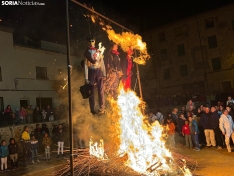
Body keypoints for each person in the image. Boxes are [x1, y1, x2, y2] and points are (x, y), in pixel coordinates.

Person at [84, 35, 106, 115]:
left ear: (95, 42)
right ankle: (92, 108)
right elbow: (85, 65)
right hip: (91, 71)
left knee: (101, 90)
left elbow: (102, 63)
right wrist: (86, 77)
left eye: (92, 41)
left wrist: (104, 73)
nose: (91, 42)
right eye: (90, 41)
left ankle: (102, 107)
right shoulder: (87, 53)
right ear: (88, 42)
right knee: (91, 91)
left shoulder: (98, 51)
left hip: (98, 71)